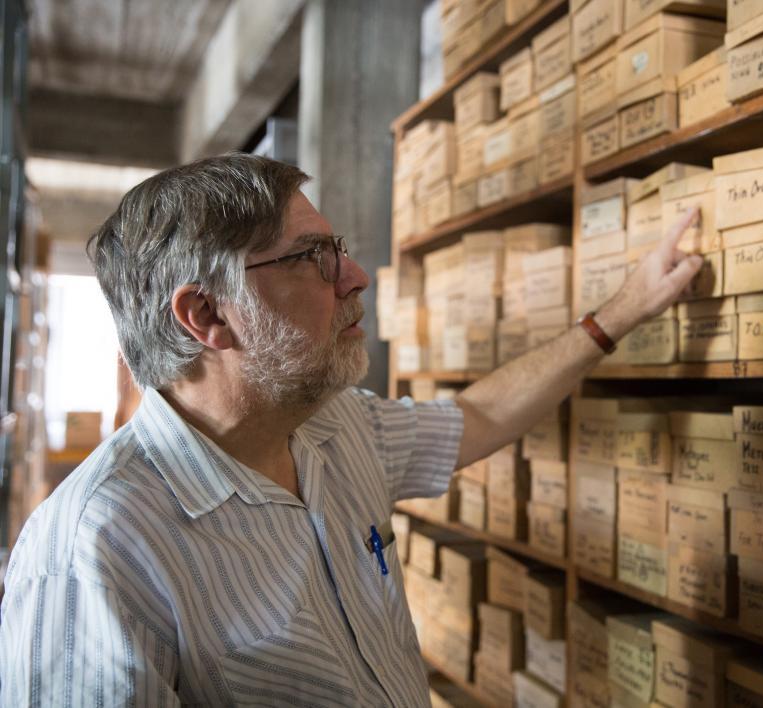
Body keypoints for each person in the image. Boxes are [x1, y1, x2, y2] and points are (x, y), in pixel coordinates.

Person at [0, 154, 703, 705]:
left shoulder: (335, 429)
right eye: (311, 257)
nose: (357, 276)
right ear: (207, 316)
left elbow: (478, 418)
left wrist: (619, 313)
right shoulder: (90, 555)